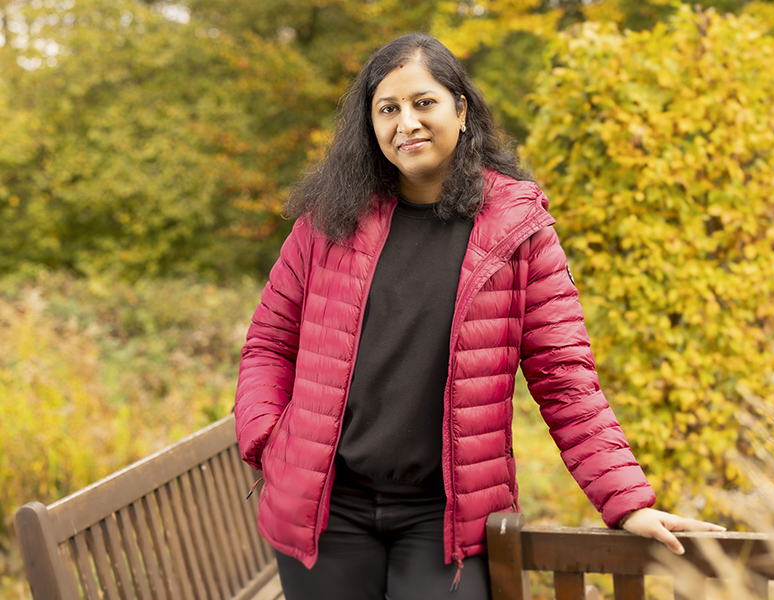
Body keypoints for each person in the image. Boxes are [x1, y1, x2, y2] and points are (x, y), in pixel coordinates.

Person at [234, 32, 723, 600]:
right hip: (325, 512)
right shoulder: (328, 222)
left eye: (424, 103)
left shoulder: (518, 231)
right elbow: (268, 344)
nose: (406, 123)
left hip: (444, 518)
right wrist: (268, 439)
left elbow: (565, 379)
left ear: (460, 110)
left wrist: (627, 502)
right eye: (387, 109)